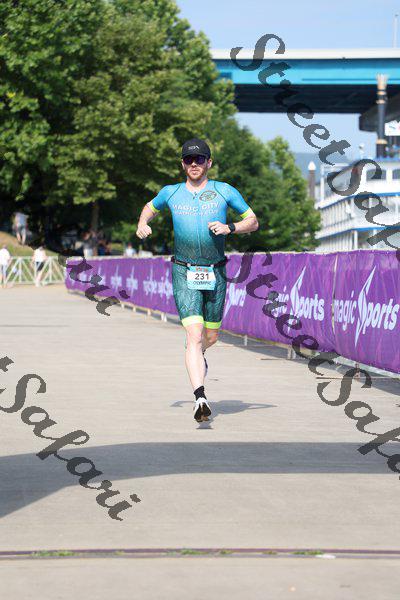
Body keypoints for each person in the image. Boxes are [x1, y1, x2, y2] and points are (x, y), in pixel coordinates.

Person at [136, 138, 259, 422]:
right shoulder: (171, 192)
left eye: (200, 159)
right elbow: (149, 208)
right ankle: (200, 397)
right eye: (189, 160)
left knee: (210, 336)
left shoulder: (224, 190)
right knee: (194, 334)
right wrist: (142, 223)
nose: (194, 164)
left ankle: (197, 356)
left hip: (216, 271)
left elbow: (253, 221)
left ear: (209, 163)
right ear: (182, 164)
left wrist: (230, 227)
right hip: (184, 270)